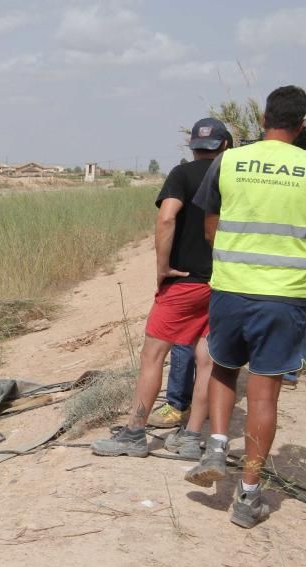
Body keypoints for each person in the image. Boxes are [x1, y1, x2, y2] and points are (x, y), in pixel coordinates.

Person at [185, 85, 306, 529]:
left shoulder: (228, 161)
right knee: (265, 393)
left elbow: (211, 229)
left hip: (230, 288)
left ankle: (216, 446)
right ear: (303, 124)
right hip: (282, 295)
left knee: (223, 367)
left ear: (263, 118)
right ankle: (248, 497)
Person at [92, 118, 232, 460]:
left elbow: (167, 217)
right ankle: (191, 437)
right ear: (225, 145)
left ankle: (135, 433)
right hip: (225, 283)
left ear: (194, 147)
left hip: (185, 283)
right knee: (208, 359)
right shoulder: (233, 178)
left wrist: (162, 267)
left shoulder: (181, 175)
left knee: (153, 354)